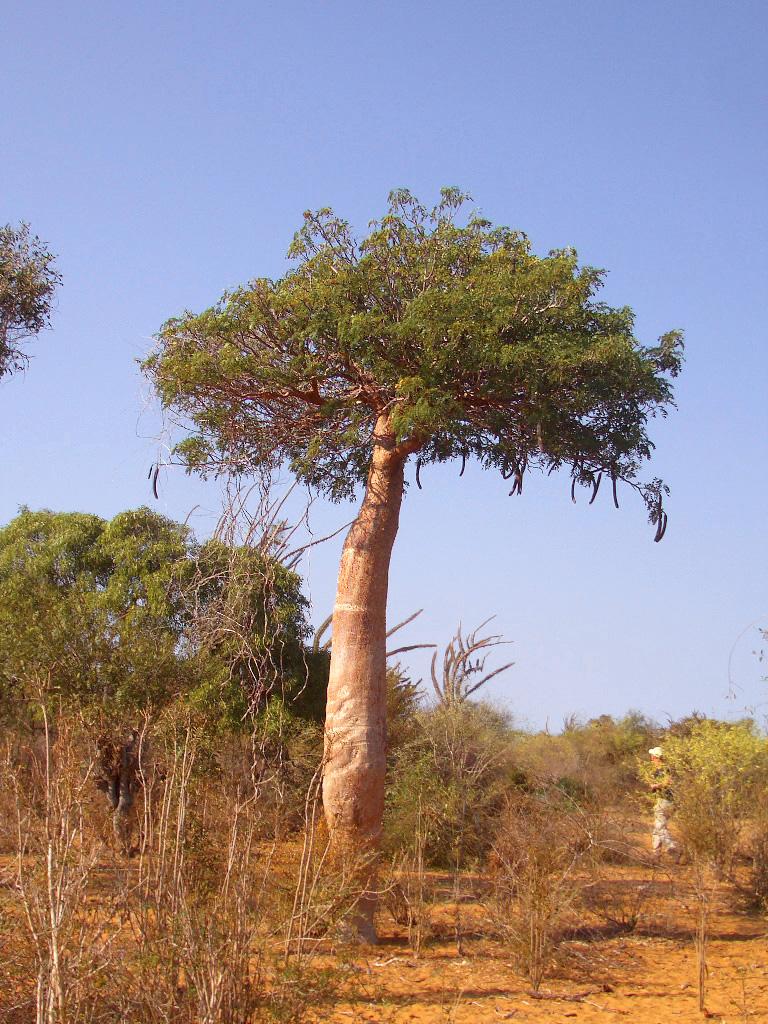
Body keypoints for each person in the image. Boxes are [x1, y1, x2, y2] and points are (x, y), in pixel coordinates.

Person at [648, 746, 678, 858]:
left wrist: (655, 785)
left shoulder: (663, 769)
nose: (651, 759)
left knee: (660, 828)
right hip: (667, 801)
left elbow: (668, 782)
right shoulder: (661, 769)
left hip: (664, 801)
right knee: (657, 828)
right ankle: (655, 855)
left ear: (656, 757)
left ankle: (672, 847)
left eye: (652, 757)